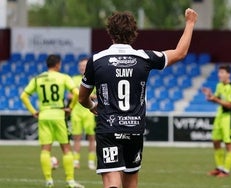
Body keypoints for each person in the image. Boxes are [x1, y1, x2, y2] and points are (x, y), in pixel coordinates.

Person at [78, 9, 198, 188]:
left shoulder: (96, 60)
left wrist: (91, 105)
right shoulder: (144, 57)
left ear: (110, 32)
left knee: (112, 181)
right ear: (133, 33)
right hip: (134, 129)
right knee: (131, 181)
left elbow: (82, 98)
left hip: (109, 129)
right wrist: (189, 23)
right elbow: (179, 53)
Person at [20, 54, 84, 188]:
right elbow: (77, 93)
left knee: (45, 150)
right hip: (59, 115)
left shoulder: (38, 78)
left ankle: (49, 181)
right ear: (58, 64)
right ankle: (70, 181)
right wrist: (70, 108)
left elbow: (24, 96)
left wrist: (33, 111)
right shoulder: (63, 77)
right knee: (66, 148)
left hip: (44, 115)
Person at [202, 65, 231, 178]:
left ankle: (226, 171)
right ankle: (219, 168)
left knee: (228, 144)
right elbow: (217, 100)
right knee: (216, 141)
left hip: (229, 118)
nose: (220, 74)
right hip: (219, 116)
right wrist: (210, 96)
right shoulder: (219, 85)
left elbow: (229, 105)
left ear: (228, 74)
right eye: (219, 72)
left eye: (222, 72)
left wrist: (215, 99)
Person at [70, 58, 97, 170]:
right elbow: (70, 96)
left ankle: (91, 162)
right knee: (77, 137)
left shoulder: (94, 78)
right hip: (76, 112)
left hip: (89, 111)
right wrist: (85, 95)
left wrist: (83, 95)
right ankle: (76, 161)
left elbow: (97, 95)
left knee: (91, 137)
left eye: (84, 66)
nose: (82, 68)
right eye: (81, 66)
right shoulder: (74, 79)